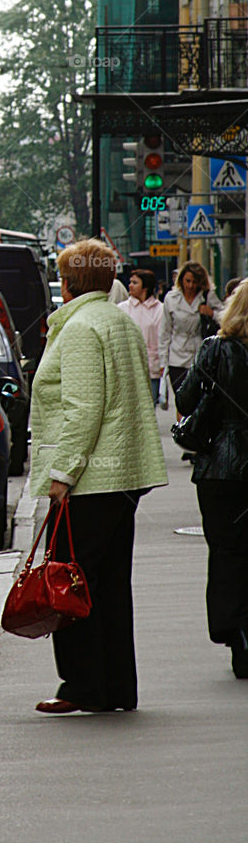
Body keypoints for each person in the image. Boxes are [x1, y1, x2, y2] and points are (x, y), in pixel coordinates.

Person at [29, 238, 168, 714]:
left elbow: (83, 409)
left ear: (68, 283)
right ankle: (115, 688)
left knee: (72, 583)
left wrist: (62, 474)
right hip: (120, 478)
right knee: (109, 584)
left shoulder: (80, 328)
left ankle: (82, 686)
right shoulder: (118, 321)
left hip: (89, 481)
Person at [176, 280, 248, 678]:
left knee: (225, 551)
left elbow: (185, 401)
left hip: (221, 469)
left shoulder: (215, 349)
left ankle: (235, 635)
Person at [159, 261, 223, 399]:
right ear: (181, 279)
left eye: (195, 282)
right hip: (176, 357)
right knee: (182, 399)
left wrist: (211, 313)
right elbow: (165, 332)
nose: (191, 286)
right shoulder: (171, 298)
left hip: (200, 354)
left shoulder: (207, 296)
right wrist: (163, 364)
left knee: (198, 399)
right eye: (188, 281)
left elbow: (225, 317)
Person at [118, 268, 164, 404]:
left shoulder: (159, 309)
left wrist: (162, 364)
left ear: (146, 287)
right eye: (130, 282)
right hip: (127, 366)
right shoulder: (122, 308)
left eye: (135, 283)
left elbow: (162, 339)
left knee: (150, 407)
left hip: (152, 368)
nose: (130, 285)